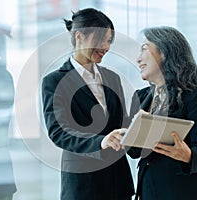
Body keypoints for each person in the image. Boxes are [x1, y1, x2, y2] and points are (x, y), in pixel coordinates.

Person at [41, 8, 134, 200]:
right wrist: (100, 142)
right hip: (83, 185)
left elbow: (121, 124)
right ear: (79, 36)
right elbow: (59, 131)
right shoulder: (54, 82)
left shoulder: (112, 78)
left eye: (109, 41)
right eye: (100, 40)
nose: (105, 47)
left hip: (118, 182)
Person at [127, 26, 197, 200]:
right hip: (149, 191)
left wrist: (188, 155)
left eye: (144, 48)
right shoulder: (140, 97)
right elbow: (134, 151)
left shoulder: (193, 97)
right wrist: (127, 135)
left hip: (185, 192)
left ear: (165, 52)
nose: (138, 59)